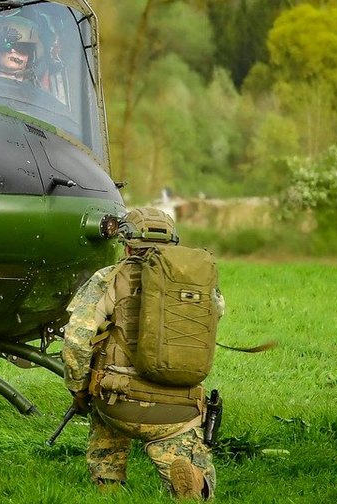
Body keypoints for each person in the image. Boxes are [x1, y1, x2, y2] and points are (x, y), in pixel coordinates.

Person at [61, 207, 222, 499]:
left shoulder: (109, 277)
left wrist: (79, 390)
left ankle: (108, 479)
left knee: (103, 398)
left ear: (126, 244)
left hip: (117, 401)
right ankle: (187, 473)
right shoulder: (199, 284)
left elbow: (76, 340)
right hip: (178, 405)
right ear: (172, 244)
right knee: (183, 447)